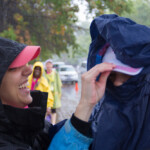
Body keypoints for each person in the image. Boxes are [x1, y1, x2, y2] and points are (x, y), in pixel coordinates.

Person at [0, 36, 115, 149]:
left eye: (26, 63)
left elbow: (56, 135)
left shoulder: (27, 122)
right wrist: (85, 104)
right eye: (14, 68)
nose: (29, 70)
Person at [87, 14, 150, 150]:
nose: (116, 83)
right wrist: (85, 107)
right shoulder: (99, 110)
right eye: (111, 76)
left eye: (127, 76)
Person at [45, 59, 62, 125]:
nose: (49, 66)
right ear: (46, 65)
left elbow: (58, 83)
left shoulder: (55, 73)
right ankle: (46, 123)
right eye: (47, 64)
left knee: (54, 110)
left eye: (50, 64)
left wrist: (59, 93)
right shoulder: (44, 74)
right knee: (46, 109)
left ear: (52, 65)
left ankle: (53, 124)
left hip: (54, 94)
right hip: (46, 93)